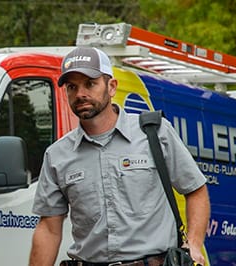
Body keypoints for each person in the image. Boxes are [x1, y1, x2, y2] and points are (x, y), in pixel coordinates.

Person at [29, 47, 210, 266]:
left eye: (90, 83)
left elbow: (196, 190)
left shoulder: (154, 132)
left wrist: (193, 243)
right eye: (72, 87)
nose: (80, 94)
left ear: (112, 86)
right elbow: (49, 228)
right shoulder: (57, 155)